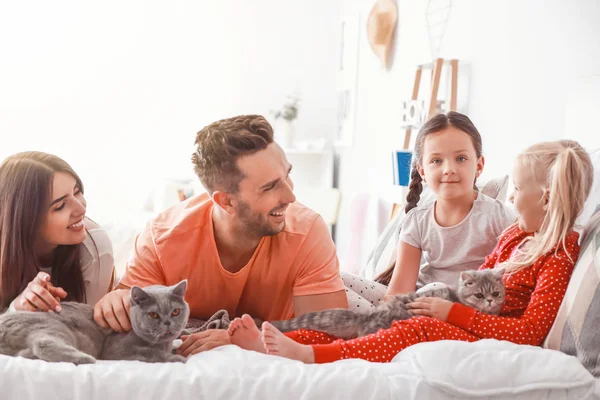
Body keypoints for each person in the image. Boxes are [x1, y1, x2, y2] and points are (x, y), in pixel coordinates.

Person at [229, 139, 593, 364]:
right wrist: (443, 303)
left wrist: (450, 313)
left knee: (414, 329)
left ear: (544, 198)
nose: (510, 197)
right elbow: (479, 274)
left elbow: (528, 333)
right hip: (454, 311)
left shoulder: (558, 255)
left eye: (516, 189)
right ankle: (274, 342)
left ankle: (313, 356)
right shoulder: (516, 233)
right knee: (364, 323)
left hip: (485, 333)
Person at [93, 114, 347, 356]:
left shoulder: (307, 230)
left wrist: (245, 338)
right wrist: (115, 302)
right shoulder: (161, 239)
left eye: (287, 175)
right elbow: (128, 311)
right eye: (270, 187)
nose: (291, 196)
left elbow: (326, 334)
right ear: (226, 202)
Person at [343, 112, 515, 312]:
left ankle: (376, 328)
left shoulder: (498, 216)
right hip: (418, 302)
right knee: (338, 279)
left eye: (460, 158)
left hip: (455, 308)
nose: (449, 169)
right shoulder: (417, 219)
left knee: (438, 289)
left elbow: (509, 280)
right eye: (436, 161)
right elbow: (399, 292)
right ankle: (373, 325)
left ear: (479, 165)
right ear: (422, 171)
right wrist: (387, 310)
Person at [0, 151, 115, 312]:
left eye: (77, 192)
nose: (81, 209)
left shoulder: (95, 248)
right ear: (26, 220)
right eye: (60, 206)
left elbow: (88, 329)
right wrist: (17, 310)